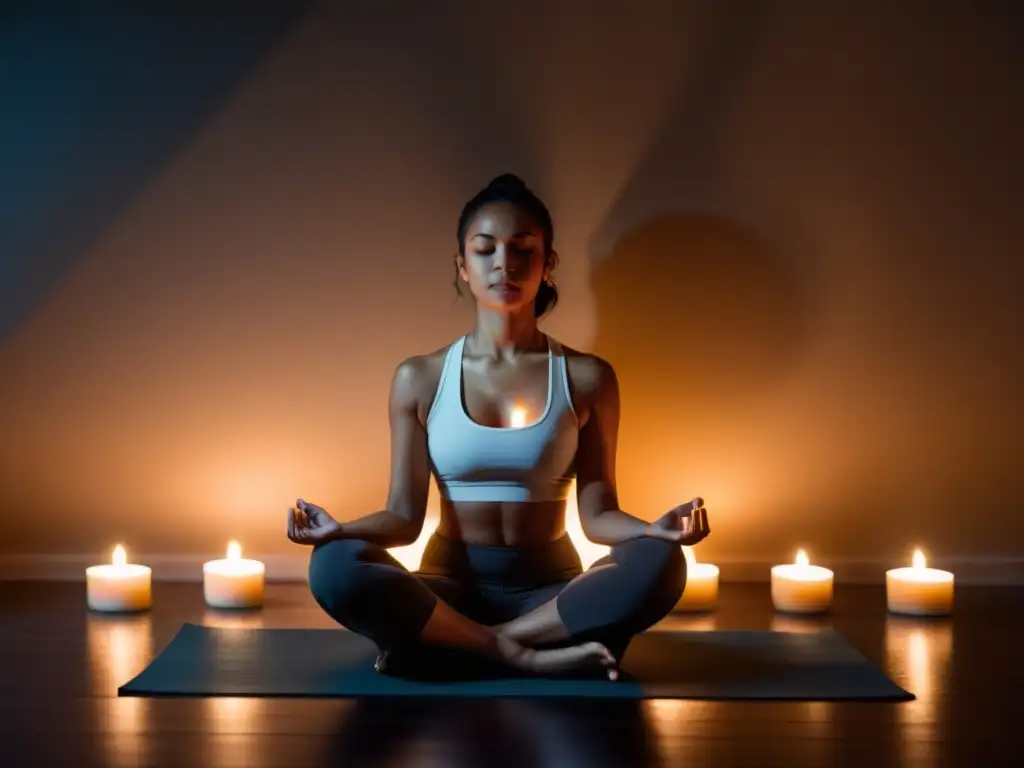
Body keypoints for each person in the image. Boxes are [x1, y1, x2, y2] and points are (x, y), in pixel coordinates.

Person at [286, 173, 711, 680]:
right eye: (485, 249)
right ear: (463, 266)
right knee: (334, 565)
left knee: (661, 563)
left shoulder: (588, 377)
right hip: (447, 588)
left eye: (522, 249)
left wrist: (653, 531)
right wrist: (340, 530)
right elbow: (402, 516)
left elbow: (599, 515)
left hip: (552, 590)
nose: (503, 263)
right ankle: (527, 654)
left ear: (547, 263)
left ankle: (461, 647)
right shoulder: (419, 377)